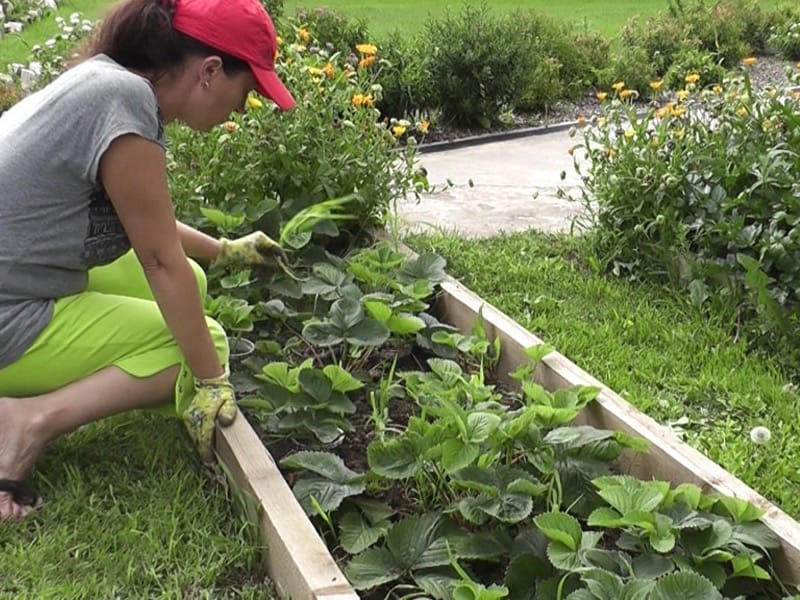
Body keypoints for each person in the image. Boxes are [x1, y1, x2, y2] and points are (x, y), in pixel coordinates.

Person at [0, 0, 294, 520]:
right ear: (209, 71)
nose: (243, 109)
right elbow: (158, 259)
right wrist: (211, 381)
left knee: (193, 281)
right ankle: (29, 419)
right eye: (246, 93)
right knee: (201, 344)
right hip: (9, 315)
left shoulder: (107, 80)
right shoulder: (127, 100)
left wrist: (224, 250)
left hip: (16, 273)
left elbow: (142, 222)